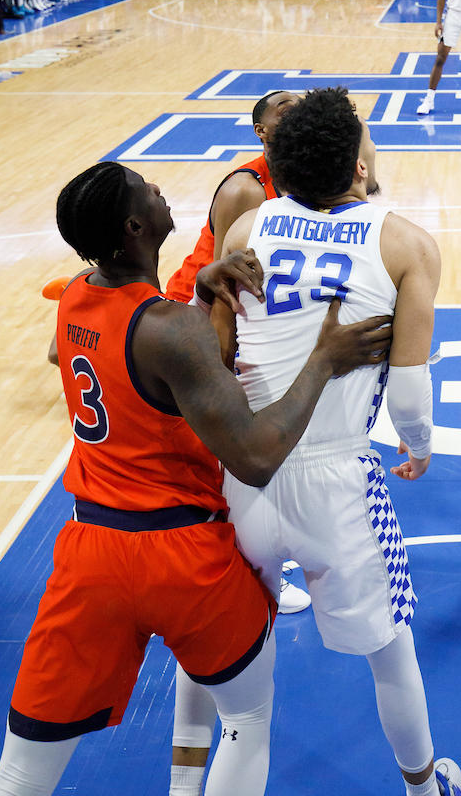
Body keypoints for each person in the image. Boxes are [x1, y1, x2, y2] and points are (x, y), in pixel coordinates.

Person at [0, 161, 390, 796]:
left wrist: (200, 294)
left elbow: (134, 343)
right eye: (146, 190)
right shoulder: (172, 333)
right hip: (181, 554)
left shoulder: (73, 298)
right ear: (134, 225)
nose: (158, 190)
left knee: (22, 768)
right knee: (247, 717)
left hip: (91, 552)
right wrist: (323, 359)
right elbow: (256, 456)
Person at [172, 88, 461, 796]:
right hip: (339, 485)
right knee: (392, 651)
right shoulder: (406, 243)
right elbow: (410, 394)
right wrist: (418, 445)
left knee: (227, 661)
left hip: (244, 474)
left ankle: (183, 782)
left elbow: (217, 349)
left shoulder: (245, 230)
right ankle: (424, 788)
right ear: (357, 169)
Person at [165, 90, 313, 614]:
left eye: (302, 104)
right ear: (260, 132)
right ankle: (244, 568)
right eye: (283, 108)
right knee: (229, 441)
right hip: (198, 309)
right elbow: (230, 287)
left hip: (241, 305)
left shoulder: (307, 172)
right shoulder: (245, 189)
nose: (296, 108)